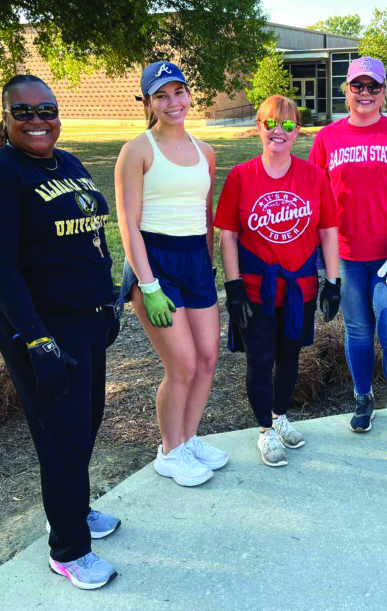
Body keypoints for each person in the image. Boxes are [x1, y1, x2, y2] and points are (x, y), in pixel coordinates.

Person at [0, 75, 120, 589]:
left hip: (85, 314)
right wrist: (36, 338)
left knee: (86, 420)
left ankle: (71, 508)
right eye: (23, 112)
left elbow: (94, 232)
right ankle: (68, 548)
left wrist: (108, 299)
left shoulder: (68, 163)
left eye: (46, 109)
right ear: (4, 118)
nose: (37, 120)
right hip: (39, 322)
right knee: (64, 434)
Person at [309, 57, 387, 448]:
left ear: (383, 93)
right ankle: (363, 400)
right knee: (358, 332)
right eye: (357, 86)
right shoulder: (327, 138)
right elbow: (317, 199)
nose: (365, 94)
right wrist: (321, 261)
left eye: (373, 87)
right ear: (346, 91)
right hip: (346, 255)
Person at [116, 61, 226, 487]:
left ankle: (189, 437)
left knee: (208, 360)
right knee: (181, 364)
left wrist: (208, 265)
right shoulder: (138, 150)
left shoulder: (207, 152)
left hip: (195, 263)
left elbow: (206, 213)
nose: (172, 102)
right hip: (154, 264)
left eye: (177, 92)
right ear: (148, 102)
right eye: (160, 95)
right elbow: (128, 223)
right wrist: (148, 285)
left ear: (189, 95)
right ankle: (169, 450)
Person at [215, 95, 340, 467]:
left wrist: (332, 281)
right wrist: (233, 286)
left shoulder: (314, 177)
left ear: (298, 131)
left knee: (289, 359)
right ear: (258, 127)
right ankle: (265, 430)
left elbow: (329, 230)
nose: (278, 131)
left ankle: (280, 415)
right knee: (260, 360)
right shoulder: (241, 176)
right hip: (256, 291)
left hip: (298, 288)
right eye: (270, 123)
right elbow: (228, 236)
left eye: (287, 125)